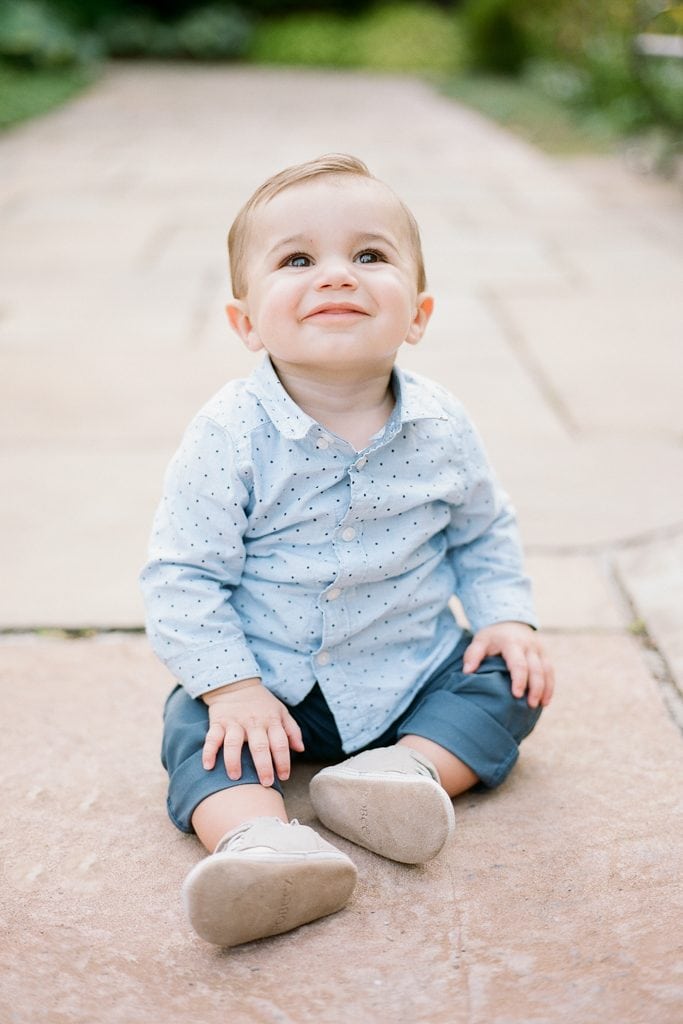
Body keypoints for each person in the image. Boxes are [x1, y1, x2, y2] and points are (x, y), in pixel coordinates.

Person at [140, 154, 555, 948]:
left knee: (515, 678)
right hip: (273, 693)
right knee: (192, 721)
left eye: (369, 256)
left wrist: (508, 617)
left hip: (410, 671)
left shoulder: (442, 426)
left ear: (419, 314)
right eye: (297, 260)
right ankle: (259, 844)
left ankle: (405, 774)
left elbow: (481, 528)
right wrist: (232, 689)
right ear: (246, 323)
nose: (337, 276)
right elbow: (182, 575)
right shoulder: (229, 436)